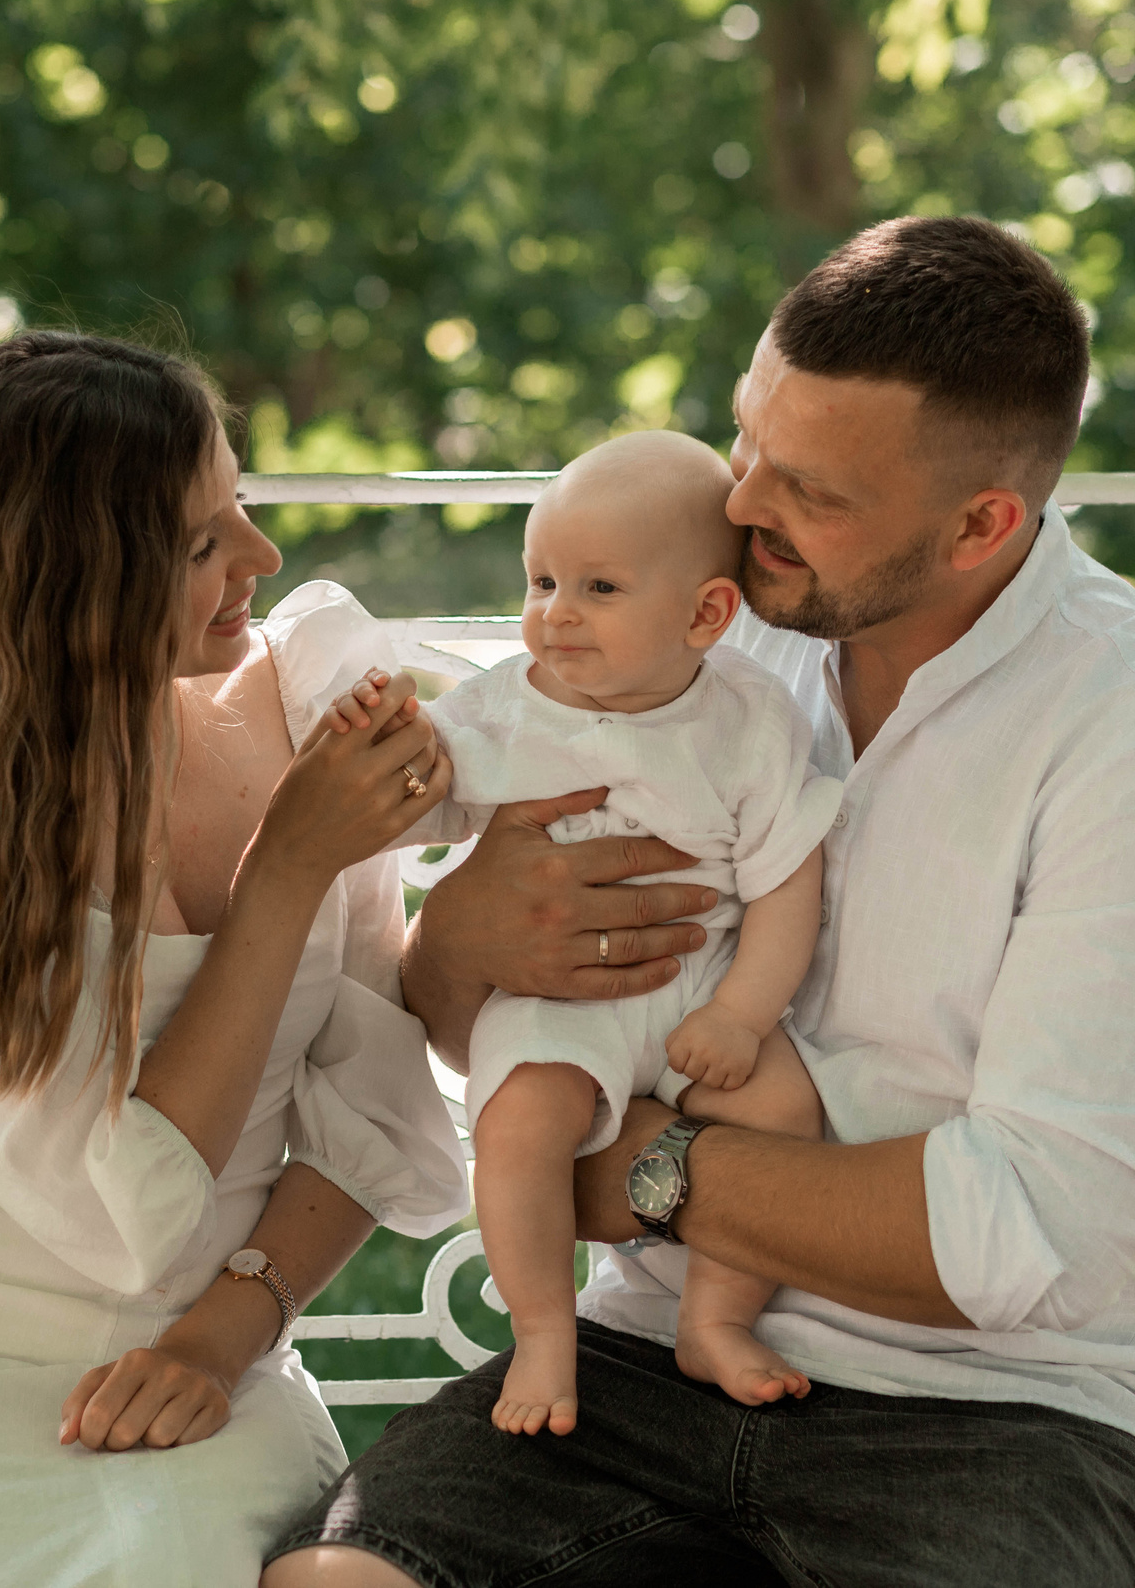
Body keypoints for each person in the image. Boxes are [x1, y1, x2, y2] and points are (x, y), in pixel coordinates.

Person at [265, 216, 1135, 1587]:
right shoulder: (702, 625)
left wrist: (641, 1166)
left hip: (1015, 1420)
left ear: (981, 523)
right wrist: (465, 932)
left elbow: (1008, 1241)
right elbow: (468, 1018)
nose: (742, 502)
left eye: (807, 487)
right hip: (639, 1365)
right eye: (747, 437)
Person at [0, 330, 471, 1587]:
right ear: (71, 586)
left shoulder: (300, 708)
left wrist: (215, 1345)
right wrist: (280, 874)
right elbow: (131, 1218)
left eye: (239, 506)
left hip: (214, 1357)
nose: (261, 559)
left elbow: (372, 1119)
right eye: (199, 544)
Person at [320, 431, 835, 1435]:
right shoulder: (502, 713)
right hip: (555, 1000)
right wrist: (387, 744)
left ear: (705, 613)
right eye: (542, 579)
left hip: (703, 982)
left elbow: (786, 884)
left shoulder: (751, 721)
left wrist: (739, 1016)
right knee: (517, 1129)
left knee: (784, 1118)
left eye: (598, 588)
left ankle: (716, 1317)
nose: (554, 613)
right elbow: (424, 810)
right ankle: (546, 1332)